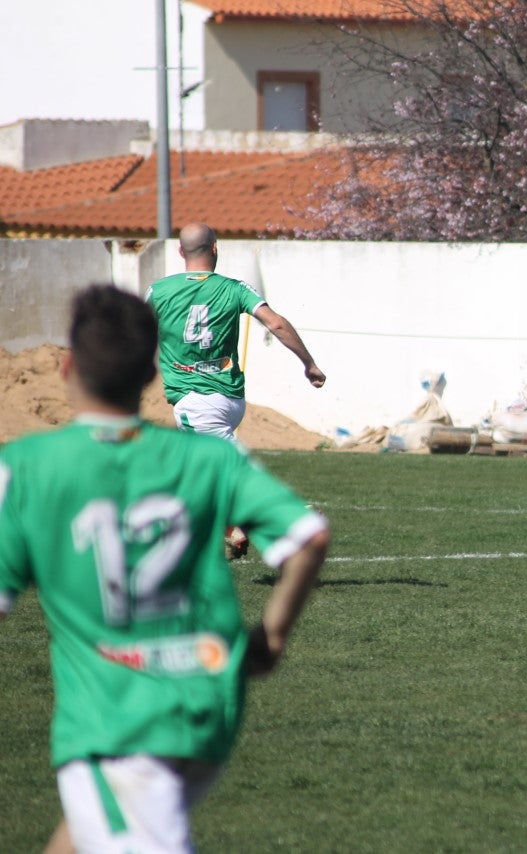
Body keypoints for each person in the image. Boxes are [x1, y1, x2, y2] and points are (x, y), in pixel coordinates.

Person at [0, 285, 329, 853]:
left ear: (66, 367)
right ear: (153, 374)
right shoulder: (214, 457)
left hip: (117, 718)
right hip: (207, 704)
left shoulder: (25, 469)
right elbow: (308, 536)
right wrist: (270, 640)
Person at [147, 221, 326, 556]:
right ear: (215, 248)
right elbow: (275, 322)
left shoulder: (158, 291)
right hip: (230, 398)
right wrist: (309, 364)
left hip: (195, 401)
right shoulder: (235, 288)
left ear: (180, 251)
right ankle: (234, 531)